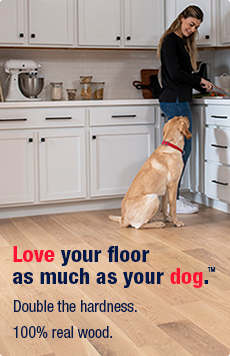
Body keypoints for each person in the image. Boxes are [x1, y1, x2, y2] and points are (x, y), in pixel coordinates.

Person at [157, 5, 214, 214]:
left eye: (196, 27)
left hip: (179, 100)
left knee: (180, 151)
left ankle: (175, 198)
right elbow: (175, 73)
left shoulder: (181, 42)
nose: (192, 29)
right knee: (178, 152)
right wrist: (198, 79)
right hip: (175, 101)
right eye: (191, 24)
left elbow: (182, 75)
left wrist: (201, 84)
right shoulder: (171, 41)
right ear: (182, 18)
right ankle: (173, 201)